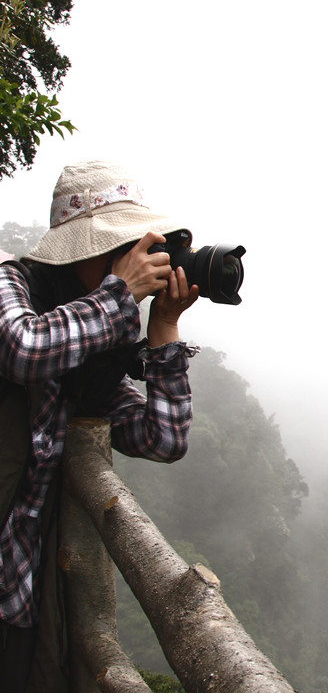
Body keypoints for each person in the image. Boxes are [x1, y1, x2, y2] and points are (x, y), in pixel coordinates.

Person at [0, 160, 200, 691]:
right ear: (82, 247)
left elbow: (163, 438)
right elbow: (24, 350)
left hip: (17, 591)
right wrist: (116, 296)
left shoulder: (95, 339)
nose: (137, 258)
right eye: (123, 244)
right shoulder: (8, 283)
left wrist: (162, 327)